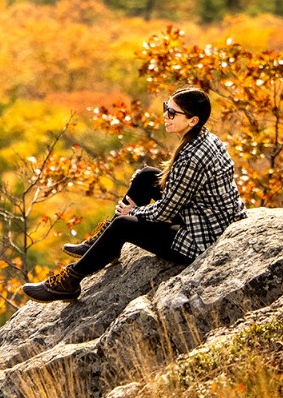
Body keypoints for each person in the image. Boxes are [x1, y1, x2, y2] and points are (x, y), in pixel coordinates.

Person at [22, 87, 247, 303]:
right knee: (147, 176)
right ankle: (105, 245)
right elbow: (180, 193)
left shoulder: (192, 157)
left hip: (203, 236)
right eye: (165, 108)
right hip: (207, 216)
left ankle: (69, 282)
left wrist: (134, 211)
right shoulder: (205, 137)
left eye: (172, 112)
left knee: (123, 224)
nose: (165, 116)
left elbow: (166, 211)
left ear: (192, 120)